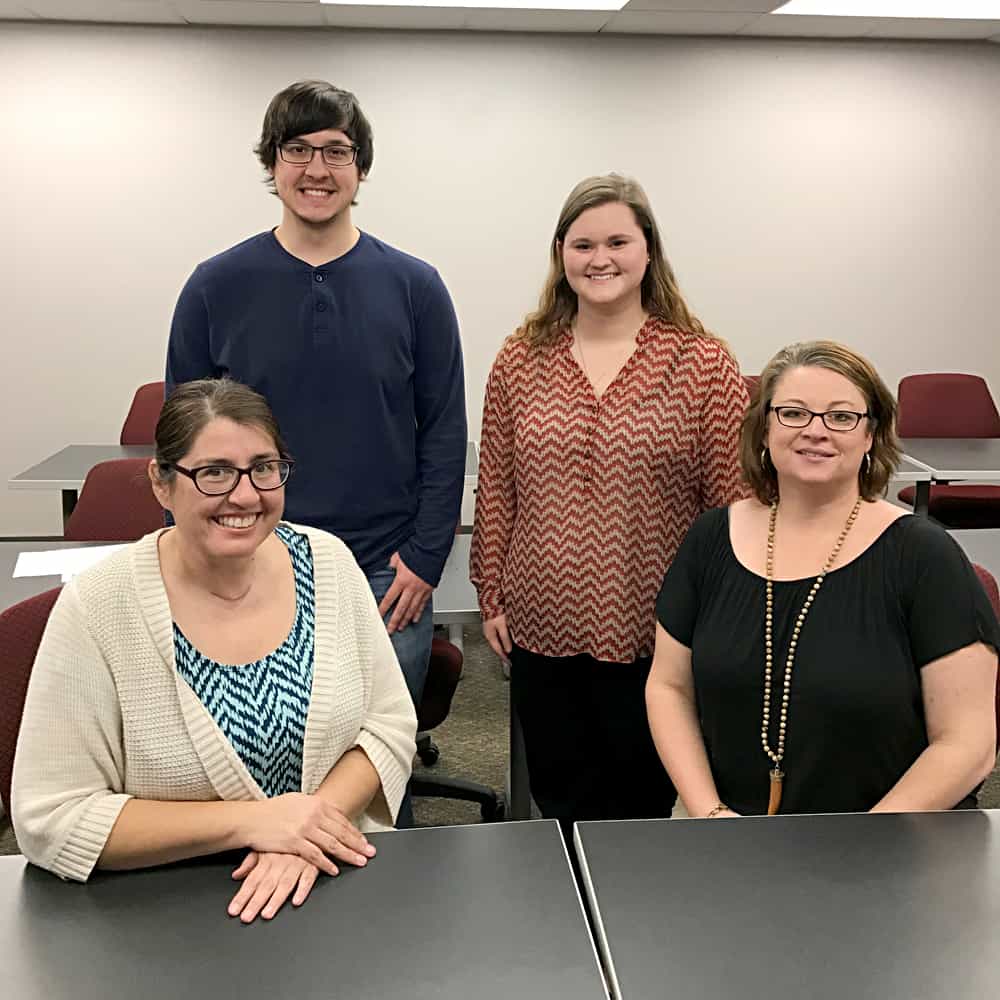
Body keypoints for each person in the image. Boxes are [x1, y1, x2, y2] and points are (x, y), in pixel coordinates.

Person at [12, 380, 417, 923]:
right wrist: (254, 822)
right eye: (215, 472)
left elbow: (388, 724)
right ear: (161, 483)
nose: (245, 495)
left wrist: (306, 824)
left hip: (331, 889)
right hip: (163, 913)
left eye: (264, 468)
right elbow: (51, 816)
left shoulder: (330, 564)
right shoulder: (98, 607)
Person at [165, 79, 467, 742]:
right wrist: (193, 556)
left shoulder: (416, 287)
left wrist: (423, 557)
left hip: (385, 574)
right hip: (248, 557)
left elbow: (445, 431)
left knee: (380, 766)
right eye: (298, 150)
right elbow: (180, 440)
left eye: (336, 151)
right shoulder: (216, 285)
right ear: (271, 165)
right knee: (249, 757)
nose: (317, 170)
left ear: (361, 168)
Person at [470, 173, 749, 830]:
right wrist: (491, 593)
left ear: (648, 249)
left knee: (641, 806)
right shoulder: (520, 359)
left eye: (618, 241)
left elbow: (733, 505)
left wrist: (717, 620)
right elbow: (497, 489)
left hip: (658, 628)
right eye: (583, 243)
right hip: (542, 621)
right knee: (559, 796)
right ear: (560, 253)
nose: (600, 259)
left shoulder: (702, 362)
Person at [648, 341, 999, 818]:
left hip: (891, 848)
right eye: (793, 413)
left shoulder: (924, 556)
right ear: (764, 427)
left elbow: (968, 743)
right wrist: (709, 814)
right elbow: (669, 688)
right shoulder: (711, 539)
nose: (815, 431)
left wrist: (857, 843)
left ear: (871, 434)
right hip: (732, 841)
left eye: (841, 416)